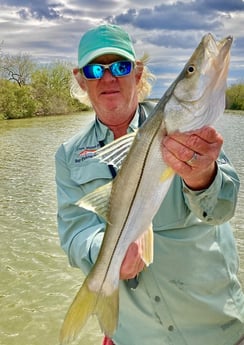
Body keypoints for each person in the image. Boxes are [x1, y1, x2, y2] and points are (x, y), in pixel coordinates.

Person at [55, 24, 244, 345]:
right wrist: (105, 252)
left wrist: (202, 176)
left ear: (138, 73)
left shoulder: (190, 128)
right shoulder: (69, 156)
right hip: (134, 335)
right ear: (80, 79)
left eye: (121, 66)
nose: (108, 77)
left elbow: (223, 209)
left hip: (215, 327)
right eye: (95, 69)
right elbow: (74, 233)